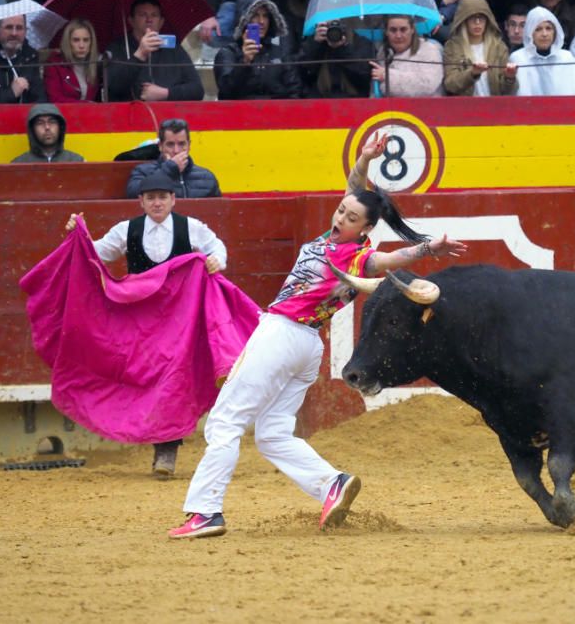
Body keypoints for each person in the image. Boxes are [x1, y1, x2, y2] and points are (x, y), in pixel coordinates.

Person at [168, 131, 468, 539]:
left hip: (282, 334)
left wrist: (428, 247)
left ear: (365, 228)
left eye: (350, 218)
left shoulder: (359, 256)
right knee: (273, 432)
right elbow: (354, 188)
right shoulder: (340, 236)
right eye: (341, 211)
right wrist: (364, 159)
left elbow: (393, 257)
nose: (340, 218)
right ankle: (332, 484)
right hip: (307, 346)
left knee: (225, 421)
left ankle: (205, 512)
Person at [63, 171, 228, 477]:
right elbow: (93, 254)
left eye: (162, 197)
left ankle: (166, 450)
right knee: (142, 374)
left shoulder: (190, 227)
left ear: (173, 199)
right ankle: (149, 436)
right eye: (150, 198)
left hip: (180, 320)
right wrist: (77, 233)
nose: (157, 203)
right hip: (140, 320)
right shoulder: (127, 230)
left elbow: (216, 247)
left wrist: (217, 260)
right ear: (140, 201)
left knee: (173, 377)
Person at [106, 0, 205, 103]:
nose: (149, 19)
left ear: (161, 21)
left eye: (154, 15)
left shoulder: (174, 48)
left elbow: (197, 90)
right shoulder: (117, 47)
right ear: (131, 21)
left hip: (168, 114)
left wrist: (165, 93)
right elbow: (112, 88)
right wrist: (140, 54)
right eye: (142, 15)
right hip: (129, 114)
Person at [214, 0, 300, 100]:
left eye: (265, 16)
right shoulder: (228, 52)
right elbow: (226, 92)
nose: (261, 21)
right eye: (255, 15)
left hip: (276, 113)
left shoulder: (280, 52)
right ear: (244, 20)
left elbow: (295, 90)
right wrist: (244, 63)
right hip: (241, 113)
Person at [125, 119, 221, 198]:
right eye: (170, 144)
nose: (176, 151)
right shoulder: (142, 172)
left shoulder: (207, 177)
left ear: (189, 145)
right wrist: (169, 169)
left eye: (181, 144)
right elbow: (133, 194)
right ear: (160, 146)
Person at [443, 0, 518, 97]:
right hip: (464, 109)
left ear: (487, 20)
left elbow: (508, 91)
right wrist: (472, 73)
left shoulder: (498, 47)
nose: (477, 22)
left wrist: (510, 78)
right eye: (472, 17)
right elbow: (450, 85)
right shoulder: (453, 47)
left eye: (481, 17)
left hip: (494, 108)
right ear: (464, 20)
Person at [509, 6, 575, 97]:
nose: (544, 34)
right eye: (538, 29)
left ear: (555, 31)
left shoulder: (566, 57)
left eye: (548, 28)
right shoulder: (519, 58)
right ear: (530, 32)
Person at [298, 19, 375, 99]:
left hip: (354, 101)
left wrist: (342, 49)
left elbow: (364, 76)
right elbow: (303, 74)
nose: (334, 28)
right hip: (321, 101)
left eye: (338, 24)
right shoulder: (315, 42)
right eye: (330, 24)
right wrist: (315, 44)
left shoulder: (361, 43)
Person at [370, 15, 444, 98]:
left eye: (403, 30)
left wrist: (387, 76)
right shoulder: (383, 53)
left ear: (412, 29)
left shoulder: (429, 49)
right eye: (393, 30)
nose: (398, 35)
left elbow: (428, 85)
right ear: (386, 32)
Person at [0, 15, 48, 104]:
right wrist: (11, 93)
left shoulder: (31, 56)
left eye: (19, 28)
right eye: (9, 27)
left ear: (25, 31)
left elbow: (40, 98)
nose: (14, 33)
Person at [44, 19, 101, 103]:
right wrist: (84, 104)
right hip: (63, 114)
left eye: (86, 40)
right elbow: (55, 99)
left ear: (91, 42)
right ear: (67, 42)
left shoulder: (96, 64)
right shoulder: (55, 64)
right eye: (76, 40)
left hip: (92, 114)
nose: (81, 45)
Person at [11, 103, 86, 163]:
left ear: (60, 127)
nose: (47, 127)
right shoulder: (18, 165)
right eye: (40, 123)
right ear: (32, 129)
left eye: (52, 122)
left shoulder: (77, 162)